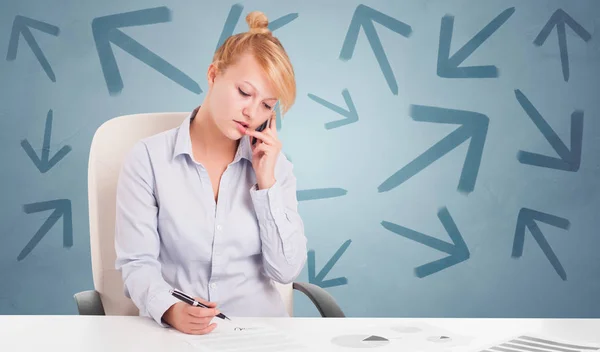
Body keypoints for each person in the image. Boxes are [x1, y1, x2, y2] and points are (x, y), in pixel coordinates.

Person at [114, 11, 307, 335]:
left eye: (266, 105)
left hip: (260, 336)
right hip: (178, 336)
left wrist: (267, 183)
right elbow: (137, 264)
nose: (251, 112)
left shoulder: (274, 167)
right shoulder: (148, 160)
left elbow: (285, 271)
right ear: (214, 75)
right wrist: (171, 310)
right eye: (245, 93)